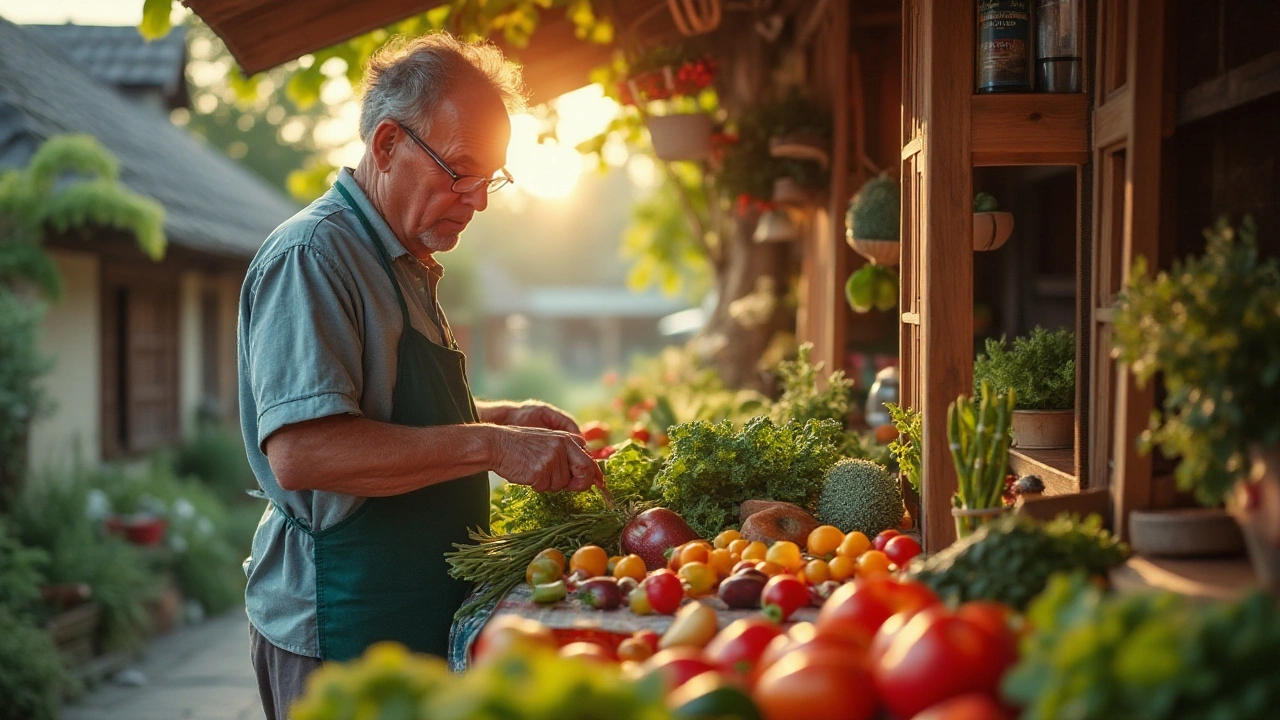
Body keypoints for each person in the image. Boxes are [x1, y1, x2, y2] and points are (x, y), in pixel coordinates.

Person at [236, 33, 604, 719]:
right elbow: (304, 450)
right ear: (386, 147)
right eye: (460, 170)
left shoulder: (398, 259)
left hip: (406, 612)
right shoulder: (315, 256)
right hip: (342, 622)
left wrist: (504, 417)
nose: (480, 201)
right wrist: (491, 447)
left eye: (491, 179)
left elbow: (380, 413)